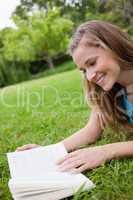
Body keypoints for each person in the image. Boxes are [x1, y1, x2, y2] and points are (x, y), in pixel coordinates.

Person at [16, 20, 133, 174]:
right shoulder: (109, 91)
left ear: (112, 46)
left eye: (92, 63)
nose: (90, 76)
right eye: (84, 70)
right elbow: (91, 132)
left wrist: (106, 151)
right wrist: (49, 151)